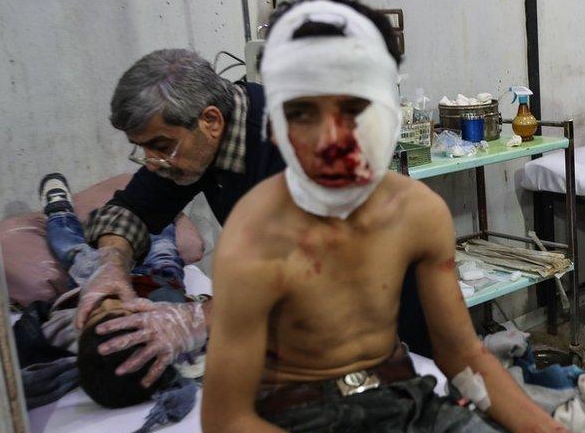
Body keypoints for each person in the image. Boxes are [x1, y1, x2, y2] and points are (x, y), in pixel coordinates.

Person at [201, 0, 585, 433]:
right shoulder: (253, 238)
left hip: (405, 403)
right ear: (273, 123)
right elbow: (228, 425)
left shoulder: (416, 213)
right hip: (300, 429)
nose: (332, 137)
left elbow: (462, 353)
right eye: (301, 111)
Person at [76, 43, 429, 388]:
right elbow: (131, 209)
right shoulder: (192, 147)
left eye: (161, 146)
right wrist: (111, 261)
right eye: (145, 149)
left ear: (211, 121)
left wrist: (202, 319)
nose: (154, 161)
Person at [38, 172, 189, 406]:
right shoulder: (166, 331)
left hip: (92, 284)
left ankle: (59, 211)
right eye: (126, 311)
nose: (110, 300)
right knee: (164, 247)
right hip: (156, 280)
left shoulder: (64, 334)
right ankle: (164, 208)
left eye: (96, 312)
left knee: (73, 250)